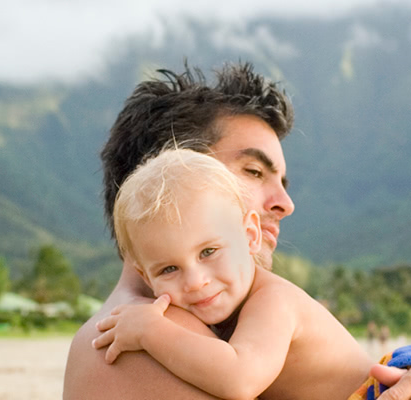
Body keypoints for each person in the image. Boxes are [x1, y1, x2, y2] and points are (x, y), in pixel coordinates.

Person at [63, 63, 411, 399]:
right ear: (166, 178)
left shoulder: (241, 309)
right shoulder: (134, 336)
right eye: (253, 172)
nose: (285, 204)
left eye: (208, 253)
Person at [92, 148, 374, 399]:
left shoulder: (276, 301)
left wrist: (150, 331)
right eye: (169, 269)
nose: (195, 281)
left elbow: (240, 380)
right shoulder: (221, 302)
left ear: (250, 235)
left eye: (208, 252)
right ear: (146, 277)